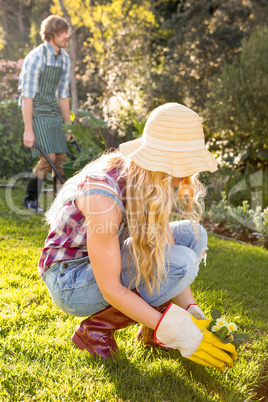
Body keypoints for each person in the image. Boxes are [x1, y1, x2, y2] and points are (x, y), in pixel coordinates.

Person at [39, 103, 238, 371]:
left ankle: (153, 329)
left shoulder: (149, 180)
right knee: (179, 263)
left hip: (101, 263)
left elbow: (165, 245)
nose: (186, 176)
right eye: (183, 165)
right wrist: (178, 332)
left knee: (193, 237)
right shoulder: (102, 199)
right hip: (70, 279)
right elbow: (111, 287)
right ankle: (95, 329)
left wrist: (192, 313)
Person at [19, 15, 71, 213]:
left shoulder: (64, 58)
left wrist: (68, 125)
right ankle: (30, 199)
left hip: (53, 108)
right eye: (61, 32)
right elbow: (27, 96)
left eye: (66, 32)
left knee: (61, 158)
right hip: (36, 108)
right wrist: (28, 130)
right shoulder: (36, 57)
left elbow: (63, 95)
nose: (66, 36)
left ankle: (61, 203)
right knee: (47, 156)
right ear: (51, 35)